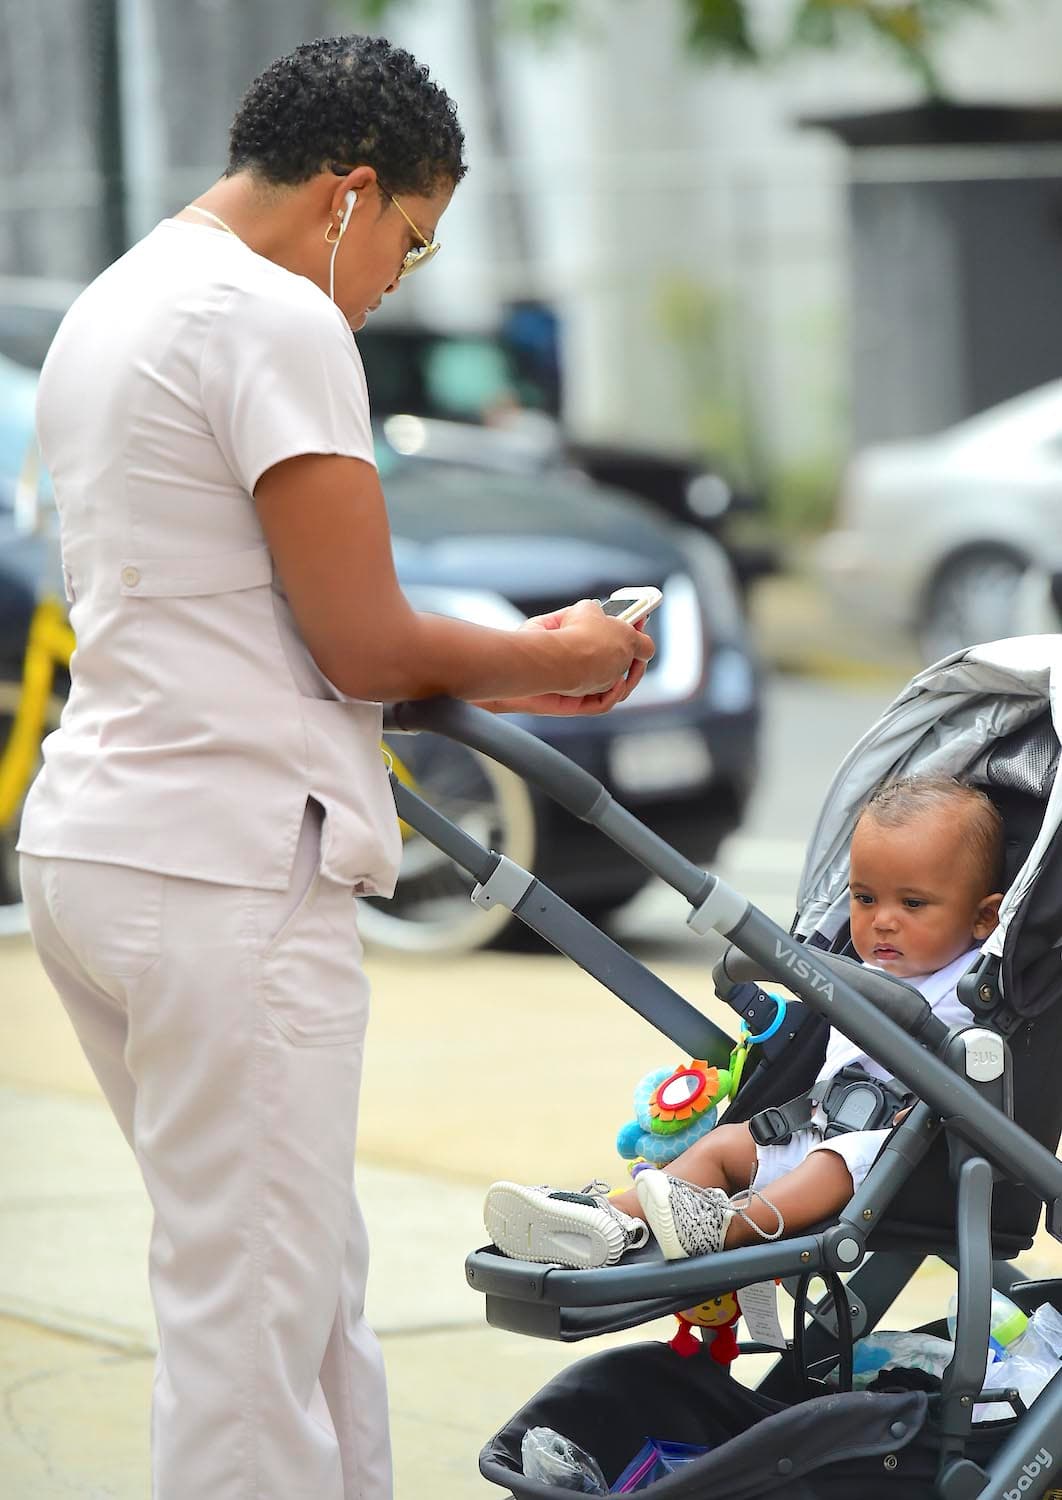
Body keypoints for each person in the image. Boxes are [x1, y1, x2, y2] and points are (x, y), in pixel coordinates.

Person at [16, 35, 654, 1500]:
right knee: (252, 1328)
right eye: (409, 244)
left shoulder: (117, 300)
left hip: (104, 845)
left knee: (289, 1287)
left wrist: (481, 661)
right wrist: (551, 655)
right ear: (348, 194)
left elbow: (239, 603)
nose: (392, 286)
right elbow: (361, 638)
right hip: (222, 866)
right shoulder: (276, 317)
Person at [483, 774, 1005, 1268]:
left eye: (912, 903)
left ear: (983, 918)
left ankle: (725, 1228)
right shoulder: (853, 970)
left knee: (833, 1165)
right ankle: (606, 1220)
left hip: (895, 1152)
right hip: (812, 1126)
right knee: (723, 1146)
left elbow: (978, 1069)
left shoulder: (971, 986)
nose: (883, 920)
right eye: (864, 898)